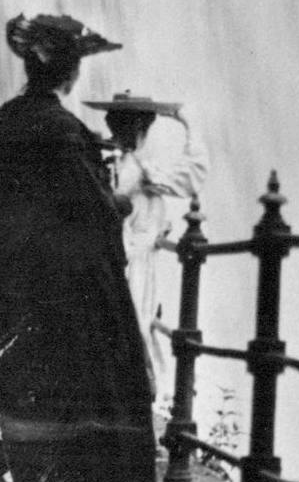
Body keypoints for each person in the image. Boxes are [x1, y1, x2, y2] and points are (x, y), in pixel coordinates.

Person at [0, 14, 157, 482]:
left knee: (13, 375)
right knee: (80, 372)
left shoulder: (8, 117)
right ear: (71, 72)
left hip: (14, 266)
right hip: (62, 275)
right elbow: (95, 209)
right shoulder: (64, 130)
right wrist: (123, 203)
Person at [88, 92, 209, 400]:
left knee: (116, 335)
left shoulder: (110, 161)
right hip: (133, 264)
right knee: (133, 332)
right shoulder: (139, 168)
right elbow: (192, 176)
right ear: (142, 129)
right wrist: (188, 121)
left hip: (113, 257)